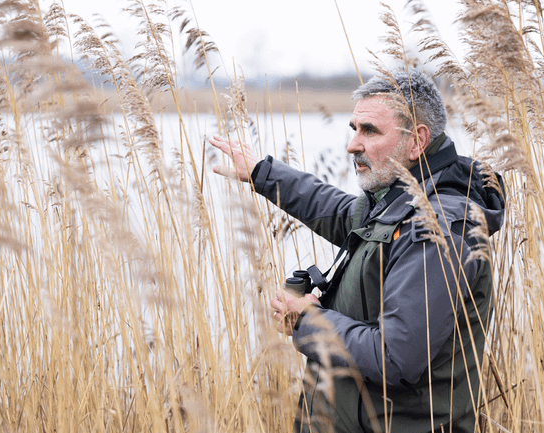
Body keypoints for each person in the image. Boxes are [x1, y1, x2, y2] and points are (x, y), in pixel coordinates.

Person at [210, 69, 506, 433]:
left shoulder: (438, 229)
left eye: (370, 131)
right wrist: (261, 172)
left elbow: (394, 357)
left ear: (417, 142)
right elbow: (333, 208)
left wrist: (310, 320)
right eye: (354, 129)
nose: (353, 144)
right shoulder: (399, 204)